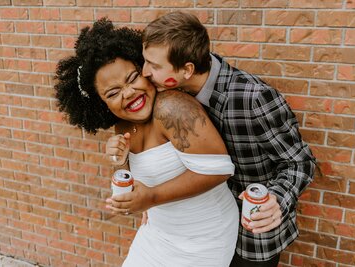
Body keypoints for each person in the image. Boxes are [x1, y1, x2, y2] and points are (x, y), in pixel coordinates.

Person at [53, 18, 239, 267]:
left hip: (203, 238)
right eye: (113, 92)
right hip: (158, 233)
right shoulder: (122, 126)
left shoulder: (171, 107)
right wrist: (120, 165)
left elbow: (219, 171)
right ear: (102, 104)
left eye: (132, 78)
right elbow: (136, 189)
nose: (128, 92)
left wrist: (151, 198)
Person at [140, 11, 317, 267]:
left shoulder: (255, 98)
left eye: (154, 66)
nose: (145, 72)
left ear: (187, 69)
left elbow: (300, 162)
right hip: (200, 235)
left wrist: (277, 199)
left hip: (248, 240)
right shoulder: (169, 90)